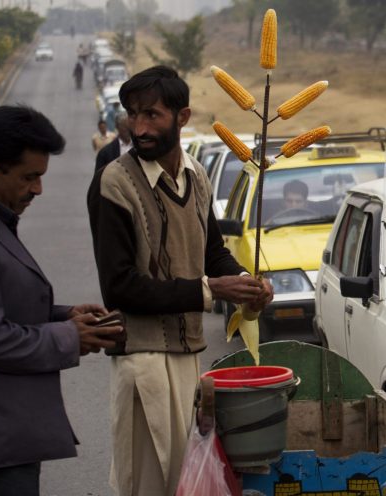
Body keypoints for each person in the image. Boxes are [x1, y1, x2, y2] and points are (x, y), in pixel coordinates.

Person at [87, 65, 273, 496]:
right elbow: (119, 287)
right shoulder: (113, 184)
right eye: (133, 115)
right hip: (143, 360)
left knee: (190, 484)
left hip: (189, 358)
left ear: (182, 117)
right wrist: (210, 291)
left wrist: (247, 283)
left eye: (152, 115)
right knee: (152, 484)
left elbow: (213, 255)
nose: (139, 127)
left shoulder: (198, 177)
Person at [0, 105, 122, 495]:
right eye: (29, 178)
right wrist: (68, 337)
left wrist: (66, 316)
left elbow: (5, 304)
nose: (38, 190)